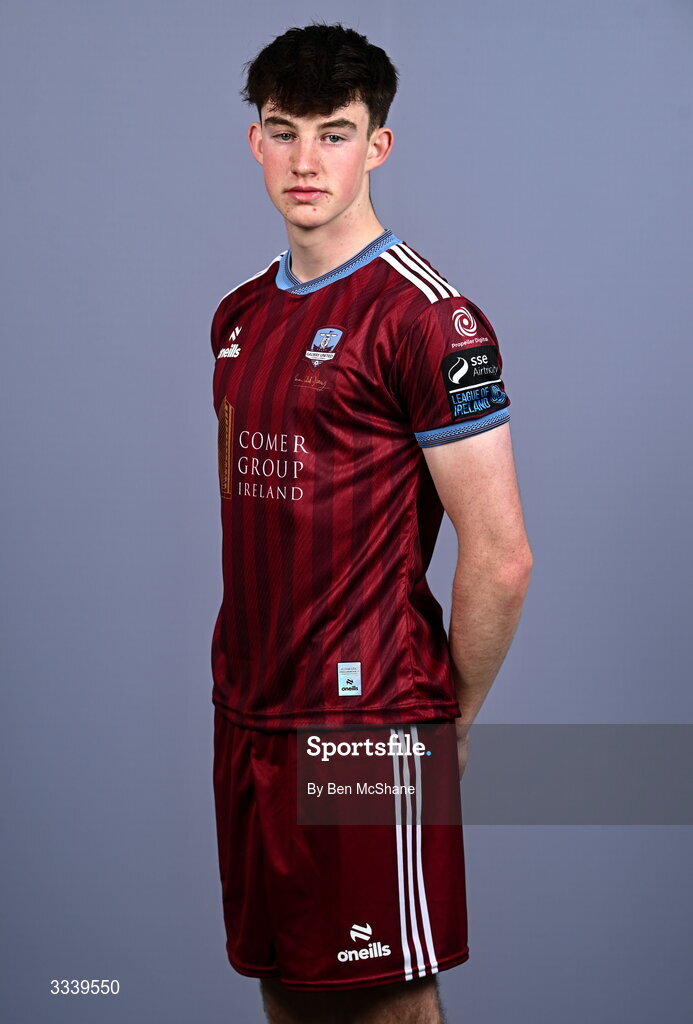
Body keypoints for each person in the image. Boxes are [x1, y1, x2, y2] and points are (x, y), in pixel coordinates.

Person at [209, 22, 533, 1024]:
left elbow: (502, 555)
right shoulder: (237, 317)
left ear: (377, 146)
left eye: (335, 133)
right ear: (254, 140)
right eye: (285, 130)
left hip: (365, 728)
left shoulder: (428, 318)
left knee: (385, 1006)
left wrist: (447, 726)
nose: (308, 160)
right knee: (287, 994)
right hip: (249, 715)